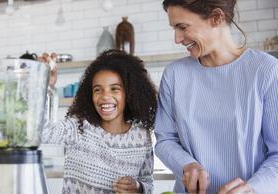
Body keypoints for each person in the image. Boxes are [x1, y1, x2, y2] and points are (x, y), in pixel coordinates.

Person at [154, 0, 278, 194]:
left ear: (216, 17)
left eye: (183, 27)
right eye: (174, 29)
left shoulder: (266, 71)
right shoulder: (174, 75)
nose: (177, 38)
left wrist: (254, 188)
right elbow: (165, 139)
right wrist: (187, 165)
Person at [39, 49, 157, 194]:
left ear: (130, 93)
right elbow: (40, 132)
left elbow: (148, 183)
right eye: (98, 90)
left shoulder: (142, 135)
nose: (105, 96)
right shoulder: (78, 128)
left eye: (114, 89)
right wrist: (44, 86)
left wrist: (139, 188)